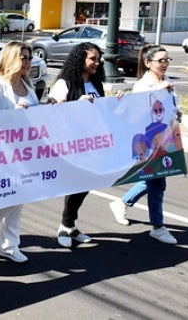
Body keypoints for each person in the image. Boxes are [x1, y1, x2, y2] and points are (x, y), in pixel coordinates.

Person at [0, 41, 52, 263]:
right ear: (10, 58)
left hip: (26, 151)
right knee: (13, 194)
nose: (27, 62)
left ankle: (8, 244)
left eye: (29, 57)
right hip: (3, 151)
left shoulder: (27, 84)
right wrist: (12, 114)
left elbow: (34, 114)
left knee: (21, 195)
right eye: (22, 57)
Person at [49, 41, 121, 248]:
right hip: (72, 143)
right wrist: (75, 104)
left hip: (93, 143)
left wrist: (115, 102)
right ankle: (65, 225)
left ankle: (70, 225)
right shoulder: (65, 83)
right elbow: (51, 110)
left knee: (86, 184)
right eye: (93, 59)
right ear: (80, 59)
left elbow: (101, 110)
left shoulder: (96, 83)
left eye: (99, 59)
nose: (97, 63)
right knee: (77, 183)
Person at [109, 44, 179, 245]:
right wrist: (160, 91)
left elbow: (172, 107)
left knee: (154, 178)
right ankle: (158, 227)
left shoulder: (167, 81)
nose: (165, 64)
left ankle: (122, 202)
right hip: (149, 140)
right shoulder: (143, 85)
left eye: (167, 60)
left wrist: (177, 113)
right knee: (157, 182)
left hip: (166, 137)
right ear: (148, 63)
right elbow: (139, 111)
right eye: (160, 60)